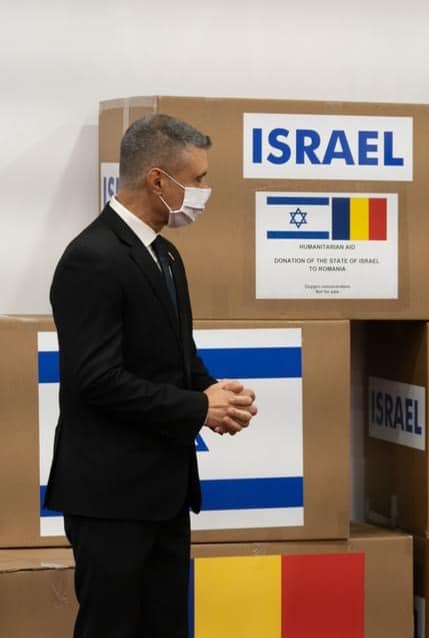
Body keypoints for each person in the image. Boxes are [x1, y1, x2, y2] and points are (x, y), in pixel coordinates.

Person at [46, 113, 257, 638]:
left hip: (164, 491)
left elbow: (175, 355)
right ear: (158, 180)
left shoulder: (166, 255)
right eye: (198, 179)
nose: (204, 192)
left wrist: (212, 392)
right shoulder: (91, 258)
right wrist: (197, 408)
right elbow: (97, 379)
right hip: (110, 497)